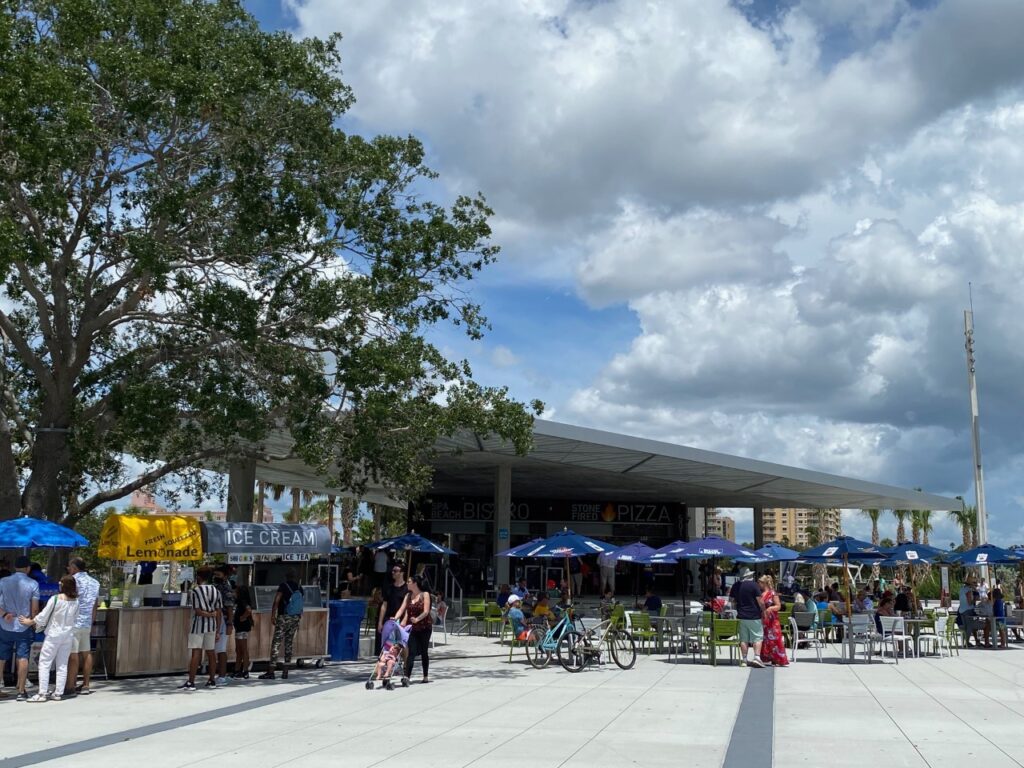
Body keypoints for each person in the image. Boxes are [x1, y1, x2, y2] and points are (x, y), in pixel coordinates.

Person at [21, 575, 79, 702]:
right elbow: (75, 619)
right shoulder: (76, 601)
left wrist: (29, 622)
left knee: (45, 663)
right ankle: (58, 693)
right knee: (62, 664)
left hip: (53, 634)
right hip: (68, 635)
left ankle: (42, 693)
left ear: (63, 585)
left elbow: (43, 616)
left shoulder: (56, 599)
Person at [0, 555, 41, 700]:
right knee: (22, 656)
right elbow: (35, 608)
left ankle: (0, 686)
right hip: (23, 624)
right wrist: (32, 621)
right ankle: (21, 690)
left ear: (15, 567)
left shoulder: (3, 581)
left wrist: (4, 614)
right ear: (28, 568)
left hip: (5, 623)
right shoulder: (33, 584)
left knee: (1, 656)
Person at [179, 566, 222, 691]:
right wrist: (218, 629)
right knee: (211, 653)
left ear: (199, 577)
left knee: (196, 653)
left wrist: (208, 614)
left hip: (198, 626)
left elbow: (198, 611)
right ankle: (212, 680)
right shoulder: (216, 591)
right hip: (212, 626)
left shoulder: (196, 591)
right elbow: (218, 611)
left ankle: (191, 682)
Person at [65, 556, 100, 696]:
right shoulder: (95, 582)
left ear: (74, 567)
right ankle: (86, 684)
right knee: (86, 653)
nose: (68, 569)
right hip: (86, 622)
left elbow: (66, 600)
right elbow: (95, 605)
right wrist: (91, 621)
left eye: (69, 566)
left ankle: (70, 685)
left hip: (73, 621)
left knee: (73, 655)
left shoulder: (73, 581)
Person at [260, 569, 303, 680]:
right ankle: (285, 672)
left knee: (276, 643)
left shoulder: (283, 586)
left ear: (286, 577)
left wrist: (273, 614)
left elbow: (277, 600)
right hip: (295, 618)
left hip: (283, 617)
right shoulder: (299, 587)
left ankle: (271, 671)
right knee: (289, 644)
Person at [729, 567, 765, 668]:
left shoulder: (736, 585)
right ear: (750, 576)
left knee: (743, 639)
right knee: (757, 637)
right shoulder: (754, 585)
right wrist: (764, 610)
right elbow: (760, 601)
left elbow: (731, 600)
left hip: (741, 615)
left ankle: (744, 660)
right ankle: (757, 657)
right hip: (754, 616)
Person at [399, 574, 433, 684]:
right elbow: (402, 609)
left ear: (415, 583)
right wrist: (395, 618)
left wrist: (417, 619)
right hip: (412, 627)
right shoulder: (408, 596)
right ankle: (407, 677)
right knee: (411, 652)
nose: (407, 583)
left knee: (424, 651)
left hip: (424, 627)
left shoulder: (425, 594)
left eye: (409, 582)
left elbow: (426, 611)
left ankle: (425, 676)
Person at [211, 564, 235, 685]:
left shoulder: (225, 588)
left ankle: (221, 676)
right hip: (215, 620)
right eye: (215, 575)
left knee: (221, 649)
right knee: (216, 649)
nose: (215, 577)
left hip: (223, 621)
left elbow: (229, 607)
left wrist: (230, 623)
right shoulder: (215, 587)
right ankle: (218, 675)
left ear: (225, 576)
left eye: (218, 575)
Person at [376, 563, 408, 655]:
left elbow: (406, 607)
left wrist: (405, 620)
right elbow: (384, 605)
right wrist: (380, 622)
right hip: (388, 618)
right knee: (387, 644)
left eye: (396, 571)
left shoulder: (406, 588)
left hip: (400, 620)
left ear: (402, 573)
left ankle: (402, 665)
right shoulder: (389, 587)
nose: (393, 573)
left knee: (400, 644)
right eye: (392, 571)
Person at [757, 575, 788, 667]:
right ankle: (767, 657)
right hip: (764, 619)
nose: (758, 585)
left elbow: (778, 606)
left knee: (775, 639)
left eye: (759, 583)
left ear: (764, 583)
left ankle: (778, 658)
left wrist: (770, 608)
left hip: (772, 620)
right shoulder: (761, 593)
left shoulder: (773, 593)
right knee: (765, 638)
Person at [232, 585, 253, 678]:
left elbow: (248, 610)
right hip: (239, 628)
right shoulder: (239, 602)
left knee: (243, 649)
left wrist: (242, 617)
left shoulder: (242, 601)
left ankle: (245, 670)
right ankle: (237, 670)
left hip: (242, 628)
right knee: (239, 650)